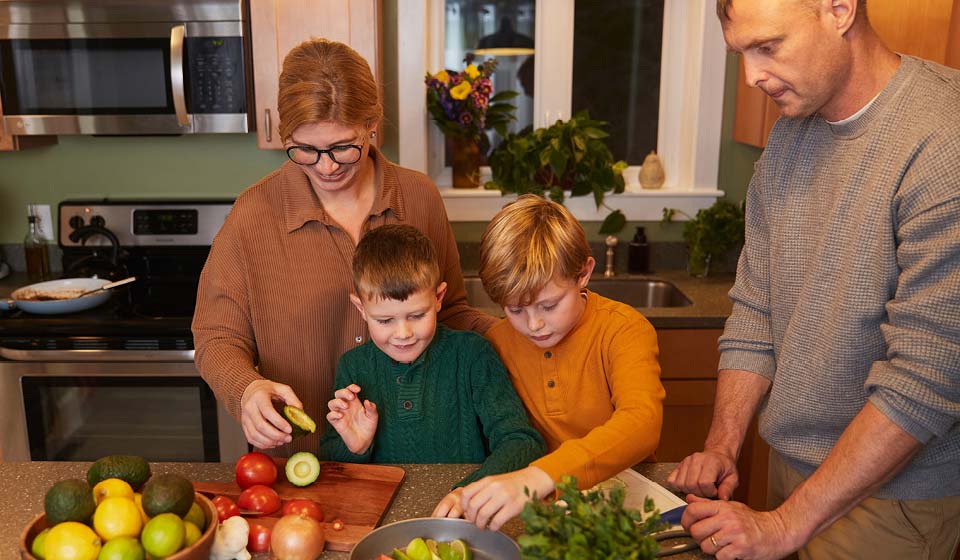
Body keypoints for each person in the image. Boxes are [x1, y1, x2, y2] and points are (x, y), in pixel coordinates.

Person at [667, 1, 960, 559]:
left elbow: (927, 378)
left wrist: (783, 526)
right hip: (790, 471)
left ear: (840, 9)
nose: (750, 76)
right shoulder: (790, 138)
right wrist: (723, 446)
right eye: (740, 53)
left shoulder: (944, 140)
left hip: (892, 499)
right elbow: (757, 308)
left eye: (768, 47)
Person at [192, 38, 495, 455]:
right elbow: (215, 335)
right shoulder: (253, 214)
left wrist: (524, 334)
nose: (327, 166)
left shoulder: (419, 197)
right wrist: (246, 389)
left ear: (373, 124)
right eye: (306, 150)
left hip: (418, 459)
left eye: (343, 147)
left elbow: (453, 312)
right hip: (305, 465)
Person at [438, 195, 665, 530]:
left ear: (584, 273)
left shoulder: (624, 330)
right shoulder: (496, 343)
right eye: (515, 309)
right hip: (537, 513)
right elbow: (506, 439)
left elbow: (642, 422)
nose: (534, 325)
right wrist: (471, 490)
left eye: (549, 305)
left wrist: (538, 476)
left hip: (625, 507)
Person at [319, 224, 546, 508]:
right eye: (385, 320)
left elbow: (522, 441)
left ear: (438, 298)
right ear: (361, 309)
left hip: (465, 514)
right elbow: (329, 460)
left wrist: (468, 492)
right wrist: (357, 447)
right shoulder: (353, 366)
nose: (403, 333)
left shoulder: (472, 355)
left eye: (416, 315)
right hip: (377, 519)